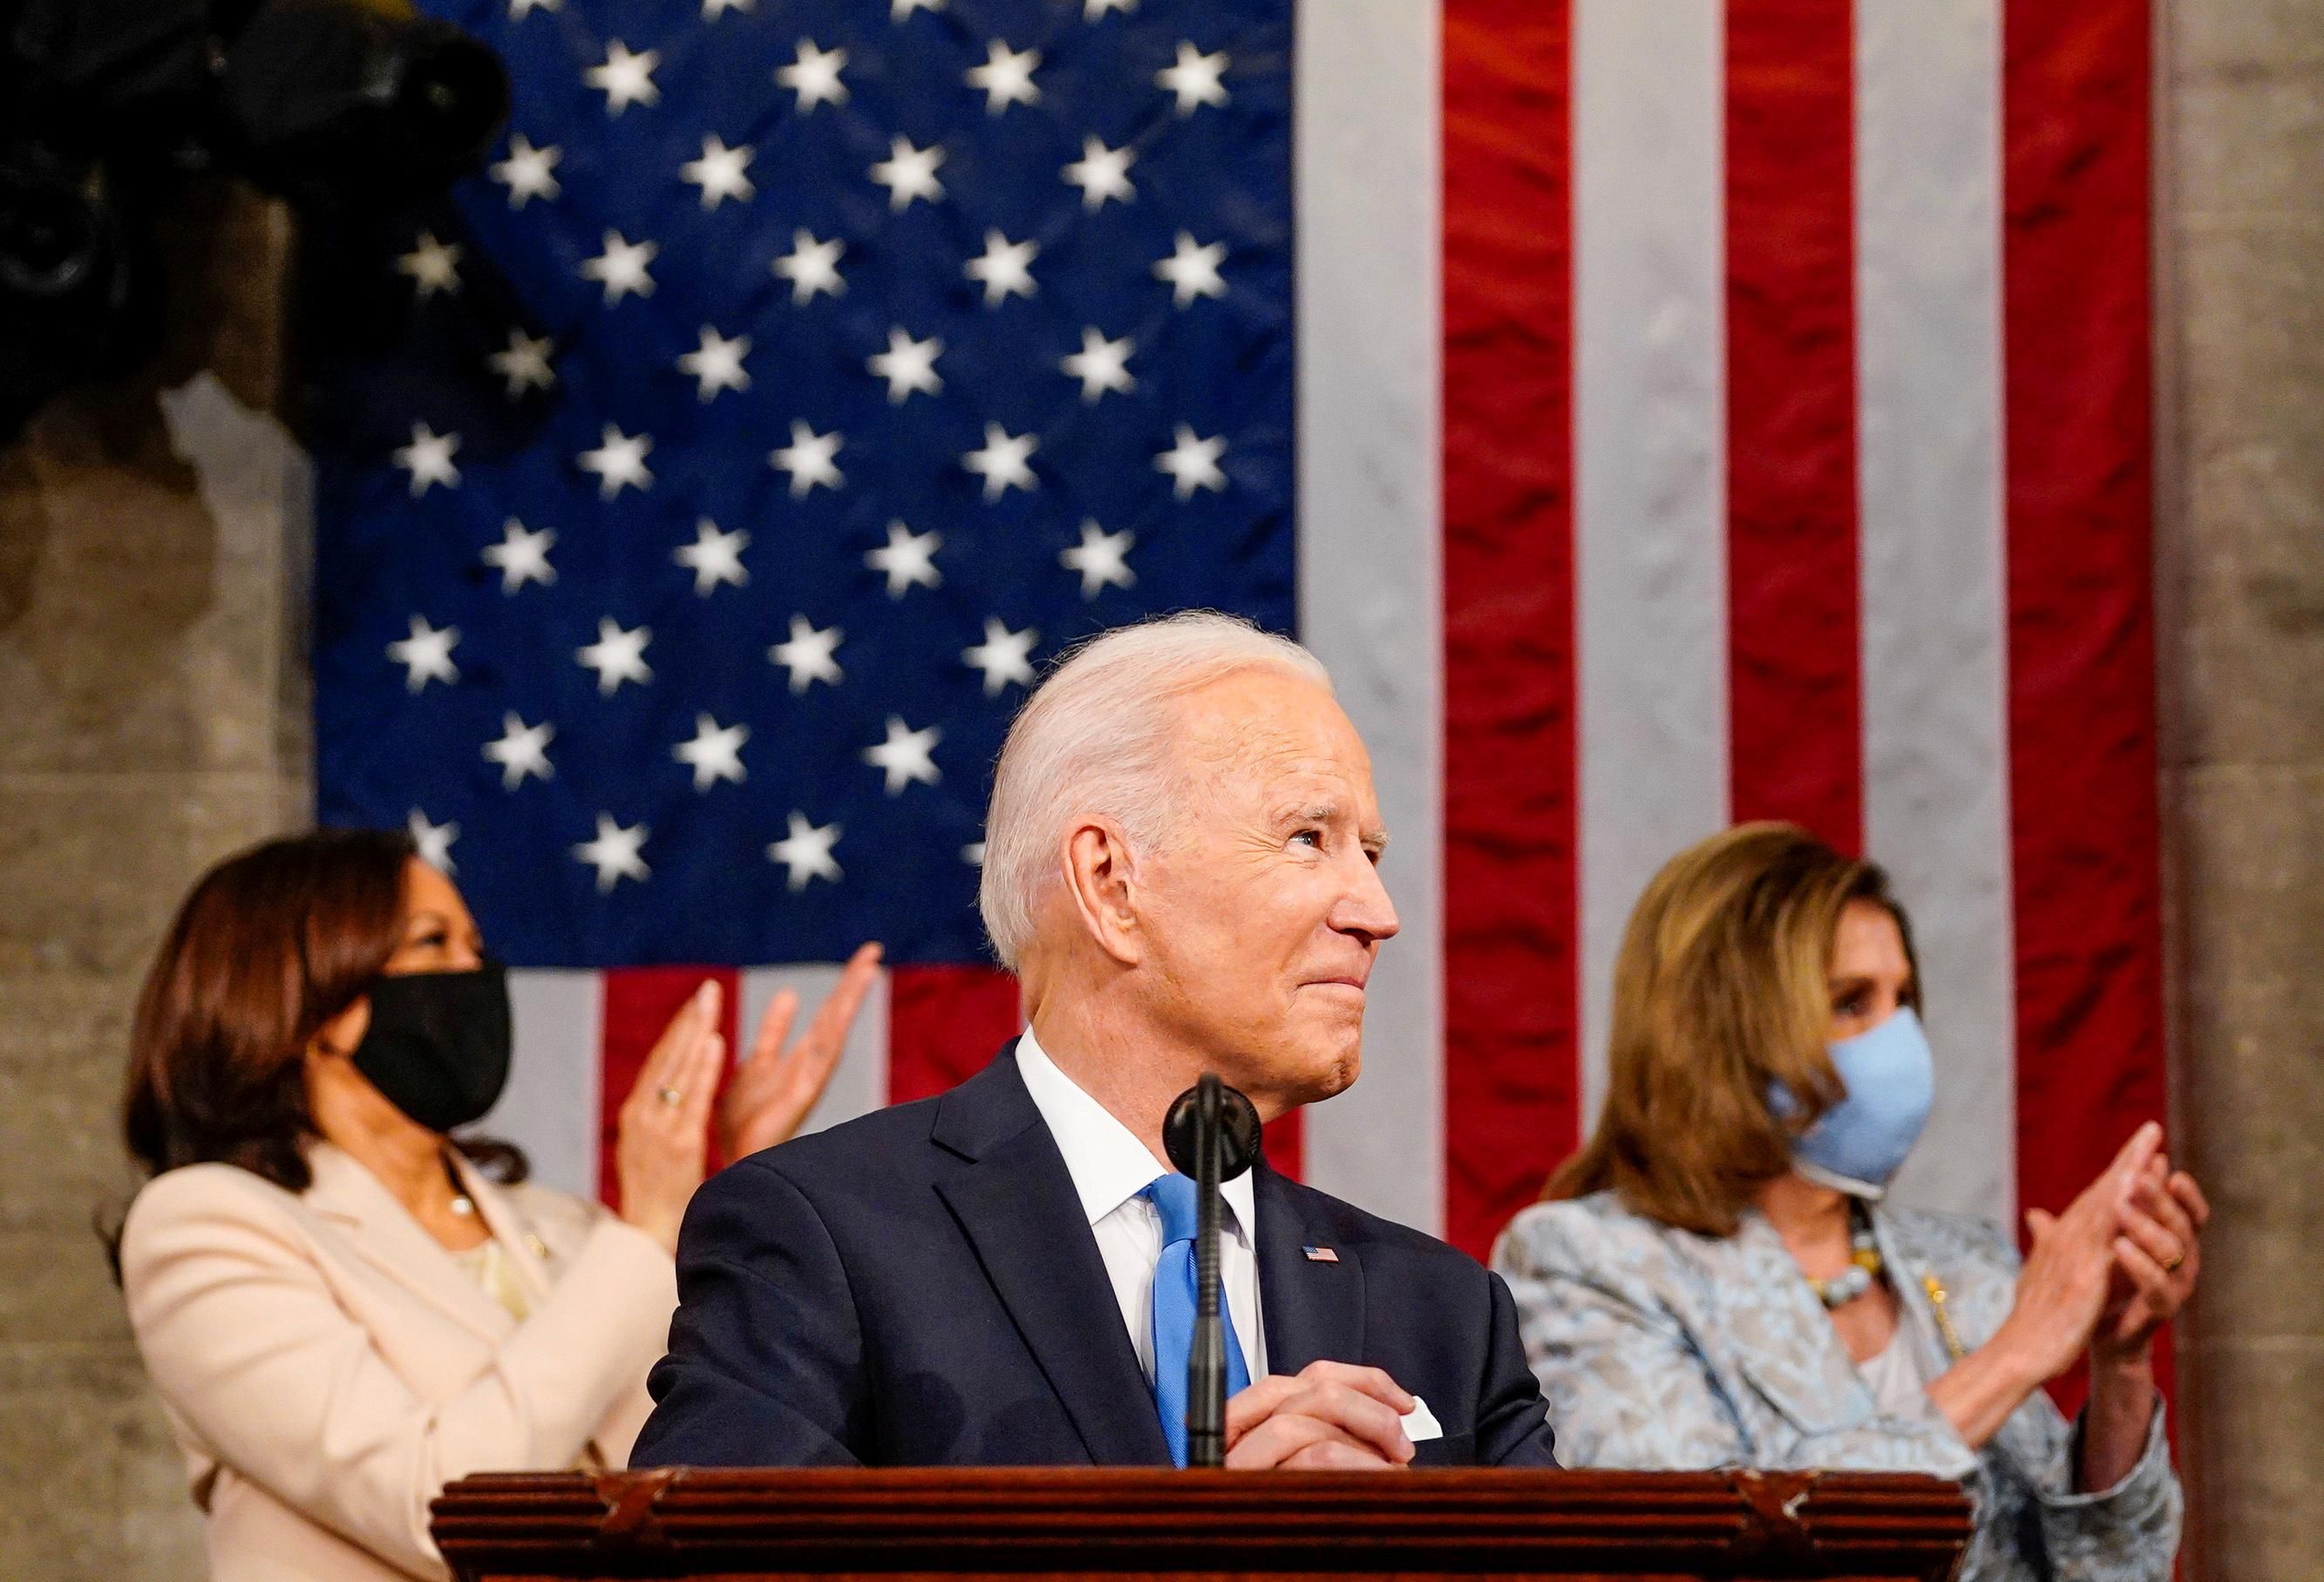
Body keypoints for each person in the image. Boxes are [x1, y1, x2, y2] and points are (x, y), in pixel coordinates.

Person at [632, 613, 1559, 1470]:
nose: (1375, 913)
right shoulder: (825, 1243)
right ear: (1110, 883)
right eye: (1308, 838)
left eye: (1370, 853)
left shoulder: (1445, 1314)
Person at [113, 828, 880, 1582]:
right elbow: (440, 1506)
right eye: (432, 943)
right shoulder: (204, 1226)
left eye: (475, 948)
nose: (474, 974)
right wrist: (648, 1225)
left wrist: (731, 1181)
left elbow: (714, 1448)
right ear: (308, 995)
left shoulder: (566, 1229)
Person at [1492, 824, 2197, 1581]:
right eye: (1852, 1003)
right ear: (1724, 1030)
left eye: (1903, 1000)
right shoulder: (1586, 1260)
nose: (1901, 1040)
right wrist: (2015, 1356)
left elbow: (2113, 1570)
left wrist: (2119, 1360)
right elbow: (1701, 1549)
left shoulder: (1962, 1262)